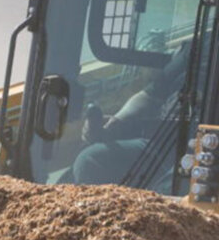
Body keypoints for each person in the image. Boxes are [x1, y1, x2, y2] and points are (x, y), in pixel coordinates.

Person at [73, 42, 192, 185]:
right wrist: (116, 121)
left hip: (194, 149)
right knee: (82, 167)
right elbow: (149, 95)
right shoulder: (195, 50)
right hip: (164, 140)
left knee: (90, 161)